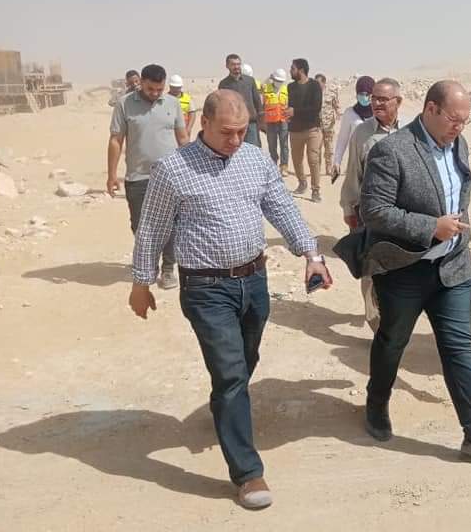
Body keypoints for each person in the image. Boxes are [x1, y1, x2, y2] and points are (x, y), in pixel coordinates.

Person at [128, 89, 332, 510]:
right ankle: (247, 472)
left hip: (254, 282)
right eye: (227, 132)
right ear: (203, 122)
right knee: (231, 371)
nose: (235, 140)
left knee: (243, 362)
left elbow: (282, 208)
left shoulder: (255, 159)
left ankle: (224, 405)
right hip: (206, 289)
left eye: (242, 131)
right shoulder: (173, 169)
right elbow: (152, 228)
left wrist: (311, 254)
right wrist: (141, 282)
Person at [356, 80, 471, 467]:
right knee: (392, 341)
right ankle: (376, 403)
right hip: (405, 270)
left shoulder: (458, 144)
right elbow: (375, 211)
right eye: (453, 119)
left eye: (465, 121)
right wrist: (429, 227)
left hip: (453, 267)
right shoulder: (392, 150)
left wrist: (455, 234)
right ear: (430, 109)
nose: (459, 128)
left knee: (459, 349)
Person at [107, 64, 189, 290]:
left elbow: (182, 138)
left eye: (159, 89)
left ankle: (168, 268)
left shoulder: (172, 103)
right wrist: (112, 175)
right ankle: (149, 263)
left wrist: (192, 169)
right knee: (140, 225)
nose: (155, 93)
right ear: (141, 82)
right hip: (138, 176)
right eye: (150, 89)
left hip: (170, 176)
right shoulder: (125, 104)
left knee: (171, 223)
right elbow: (116, 140)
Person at [339, 77, 404, 331]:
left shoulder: (411, 131)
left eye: (383, 99)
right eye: (374, 98)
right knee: (370, 271)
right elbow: (353, 172)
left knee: (398, 273)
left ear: (398, 102)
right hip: (369, 214)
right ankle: (376, 324)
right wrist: (349, 207)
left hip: (401, 215)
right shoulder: (362, 132)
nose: (376, 103)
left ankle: (394, 321)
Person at [285, 58, 324, 200]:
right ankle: (302, 183)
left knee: (313, 160)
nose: (290, 71)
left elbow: (316, 108)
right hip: (295, 130)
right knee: (296, 160)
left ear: (301, 70)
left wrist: (295, 112)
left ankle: (315, 190)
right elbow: (291, 106)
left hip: (312, 129)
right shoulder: (291, 87)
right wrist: (288, 114)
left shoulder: (314, 86)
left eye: (293, 68)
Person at [331, 76, 374, 181]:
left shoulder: (379, 113)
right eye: (361, 94)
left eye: (367, 94)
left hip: (376, 160)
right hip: (356, 161)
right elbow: (342, 139)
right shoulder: (350, 113)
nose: (364, 97)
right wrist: (337, 161)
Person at [218, 54, 262, 148]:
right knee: (236, 150)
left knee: (253, 150)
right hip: (234, 125)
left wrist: (261, 119)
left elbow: (257, 101)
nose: (236, 67)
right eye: (233, 64)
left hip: (251, 123)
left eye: (238, 64)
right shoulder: (223, 84)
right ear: (227, 66)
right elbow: (222, 105)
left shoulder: (250, 81)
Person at [262, 69, 290, 174]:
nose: (279, 82)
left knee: (284, 145)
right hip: (270, 122)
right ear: (273, 79)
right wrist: (268, 79)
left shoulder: (286, 89)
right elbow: (258, 89)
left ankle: (284, 166)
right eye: (277, 80)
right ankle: (273, 164)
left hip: (283, 121)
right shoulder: (266, 89)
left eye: (281, 81)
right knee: (272, 145)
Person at [315, 73, 340, 176]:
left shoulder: (331, 93)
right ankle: (317, 169)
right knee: (317, 148)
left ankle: (328, 167)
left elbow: (336, 105)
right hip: (317, 125)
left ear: (324, 82)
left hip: (329, 124)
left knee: (329, 148)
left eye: (318, 83)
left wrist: (338, 114)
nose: (317, 85)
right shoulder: (312, 94)